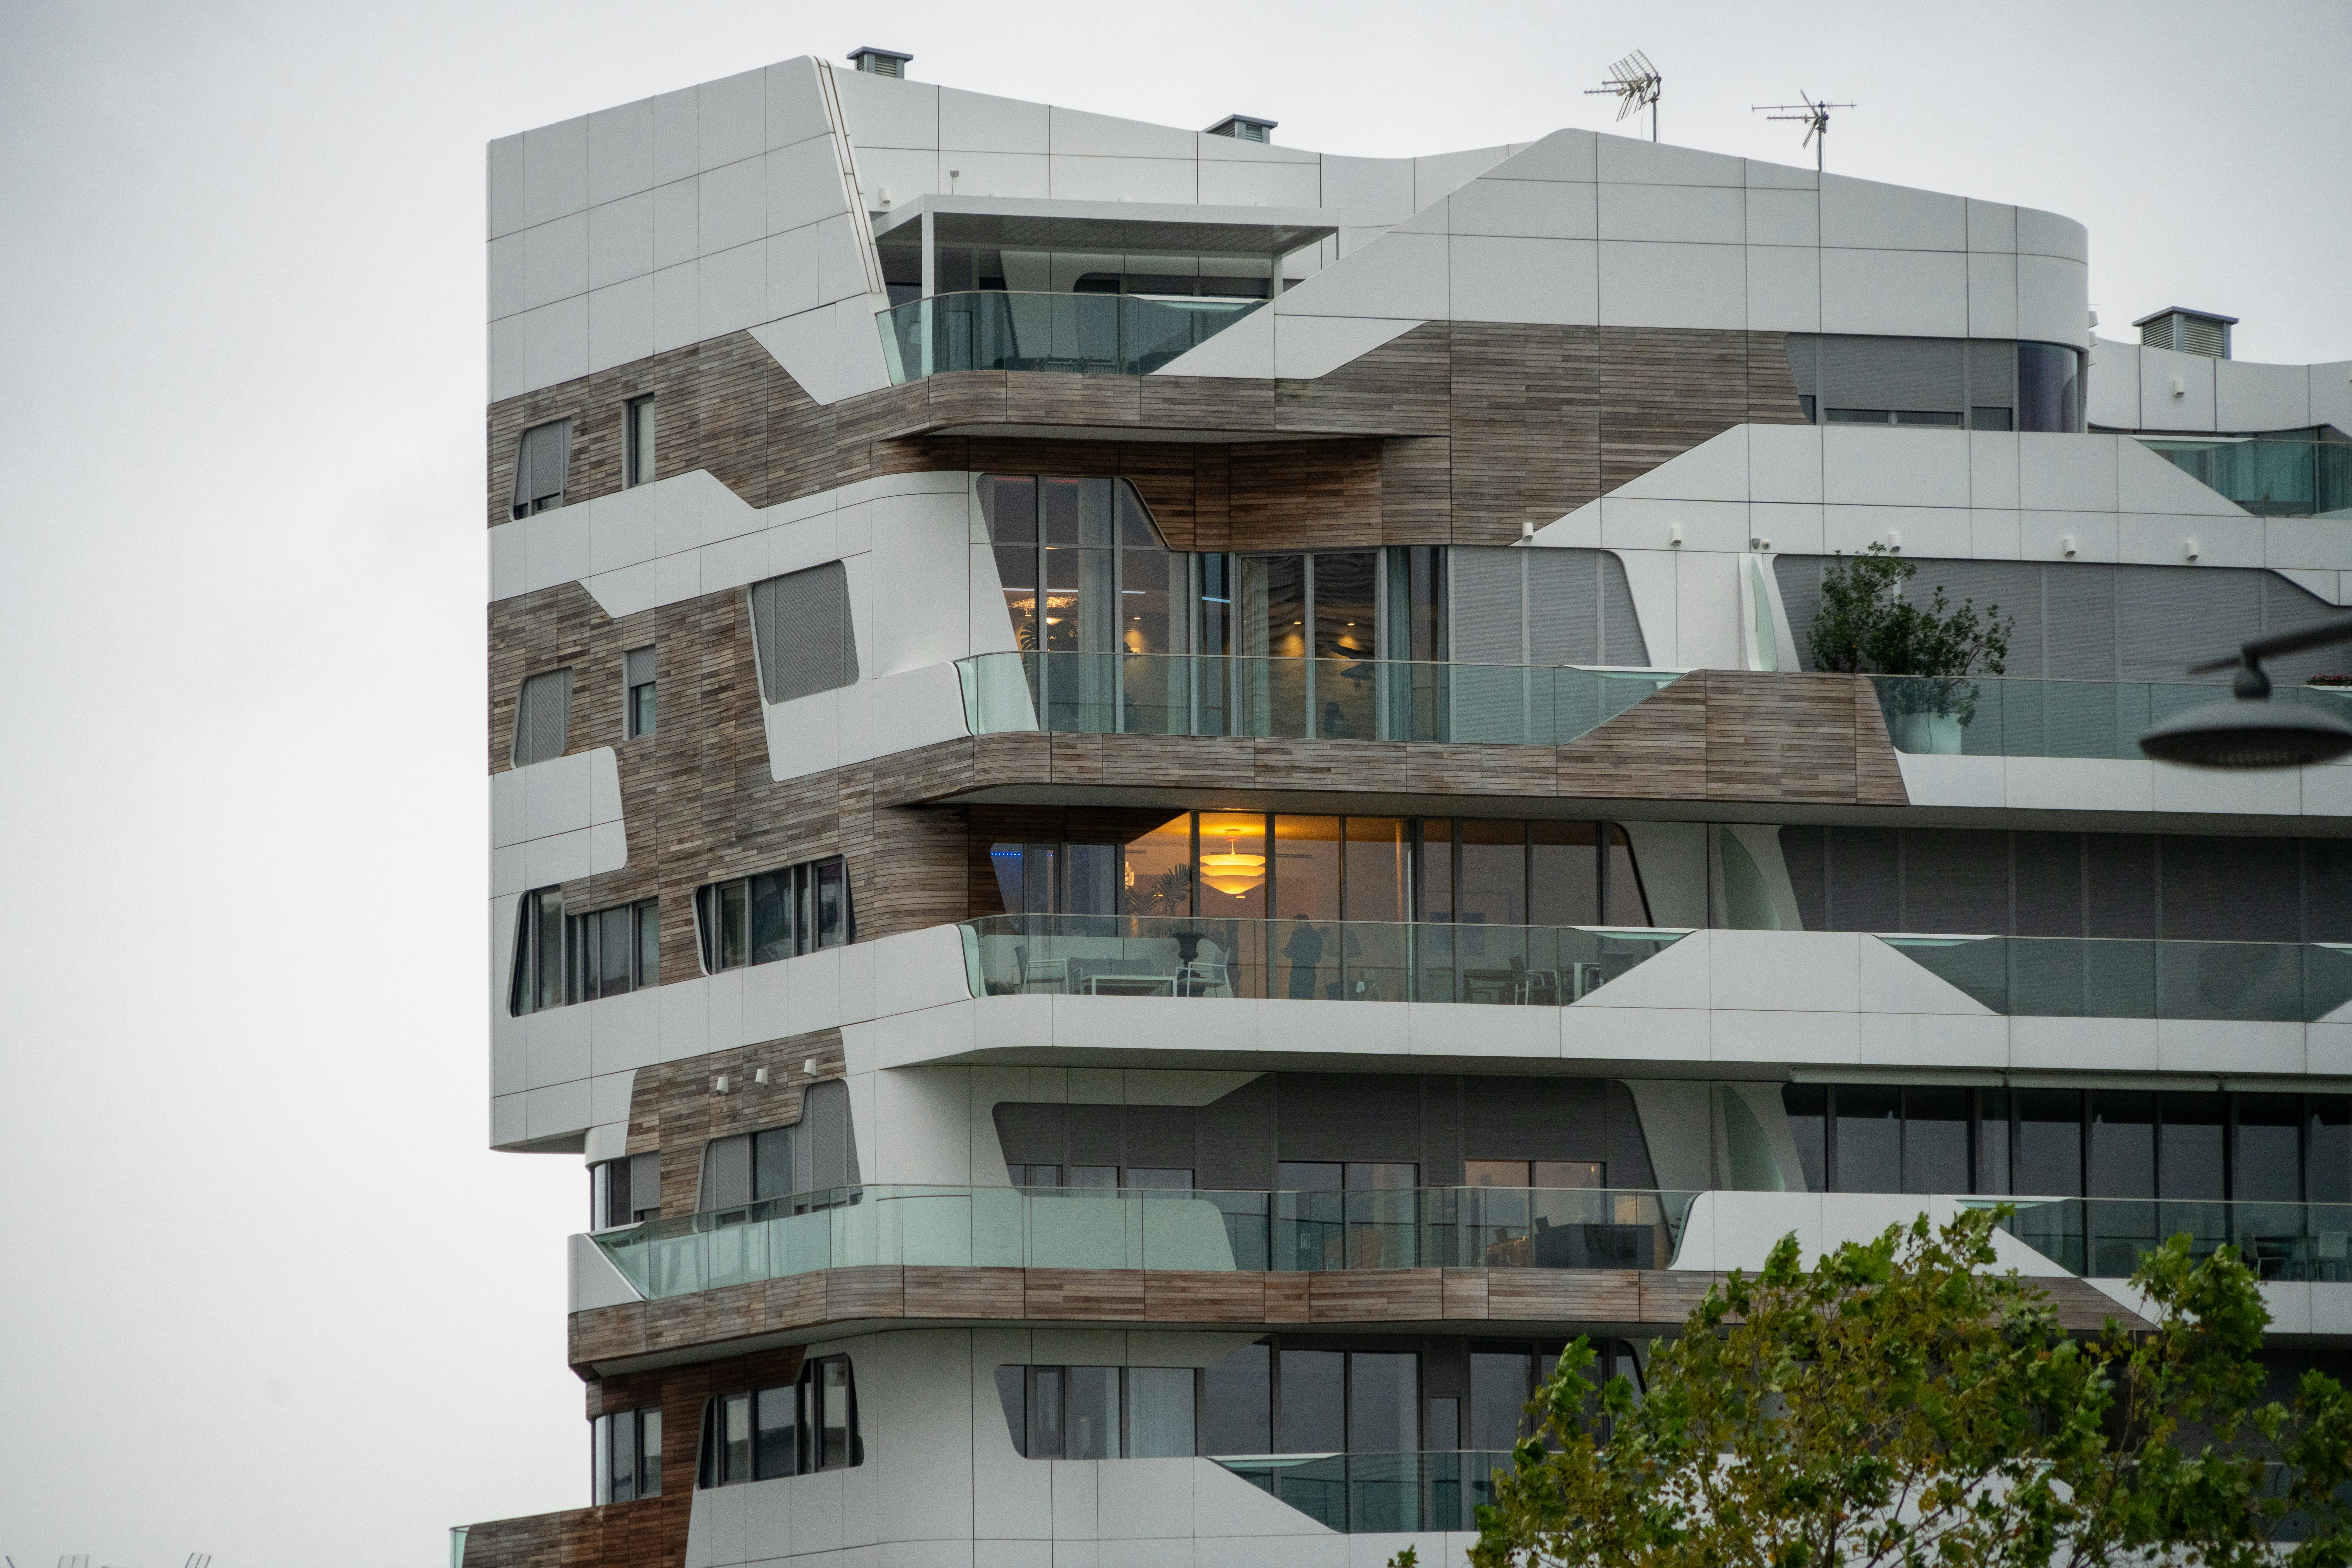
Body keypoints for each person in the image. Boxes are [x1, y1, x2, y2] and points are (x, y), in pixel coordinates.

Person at [1282, 913, 1327, 999]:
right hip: (1310, 971)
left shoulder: (1297, 934)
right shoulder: (1317, 936)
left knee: (1295, 999)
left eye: (1298, 923)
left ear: (1303, 922)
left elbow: (1290, 952)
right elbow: (1318, 958)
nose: (1296, 926)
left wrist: (1284, 951)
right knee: (1308, 998)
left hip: (1297, 971)